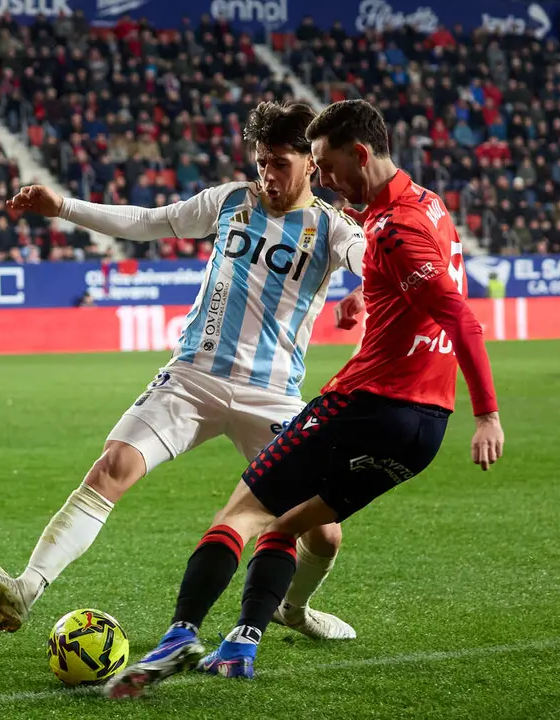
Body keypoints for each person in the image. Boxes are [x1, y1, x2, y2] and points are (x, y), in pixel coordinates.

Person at [105, 99, 505, 699]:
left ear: (359, 154)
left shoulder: (393, 228)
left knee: (241, 510)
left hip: (366, 405)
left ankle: (180, 633)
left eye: (326, 164)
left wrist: (490, 413)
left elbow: (460, 317)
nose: (324, 179)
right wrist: (366, 296)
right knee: (287, 524)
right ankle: (241, 644)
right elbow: (406, 281)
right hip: (425, 431)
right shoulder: (431, 205)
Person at [0, 101, 366, 641]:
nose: (268, 175)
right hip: (194, 374)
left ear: (310, 164)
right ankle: (24, 589)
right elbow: (147, 223)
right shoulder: (228, 202)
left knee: (326, 534)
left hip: (272, 394)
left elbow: (380, 261)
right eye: (262, 162)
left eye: (280, 164)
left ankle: (290, 608)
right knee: (112, 465)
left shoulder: (335, 230)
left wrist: (364, 290)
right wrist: (63, 207)